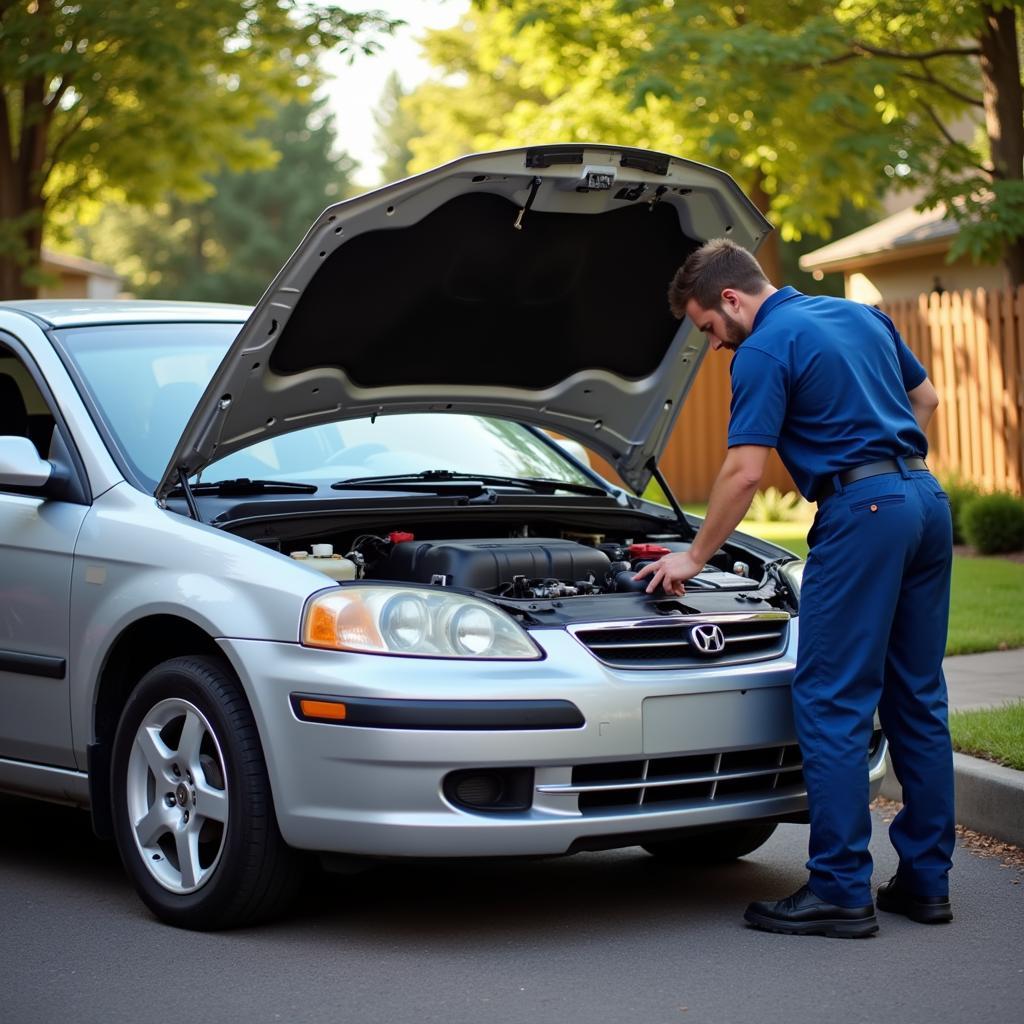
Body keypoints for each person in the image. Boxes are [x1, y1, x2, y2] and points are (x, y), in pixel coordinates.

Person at [635, 238, 955, 939]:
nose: (714, 346)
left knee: (831, 697)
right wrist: (890, 467)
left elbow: (745, 473)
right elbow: (925, 397)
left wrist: (694, 555)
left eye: (708, 331)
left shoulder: (764, 349)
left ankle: (841, 889)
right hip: (925, 502)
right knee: (918, 697)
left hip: (863, 515)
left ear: (731, 299)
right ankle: (927, 882)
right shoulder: (858, 316)